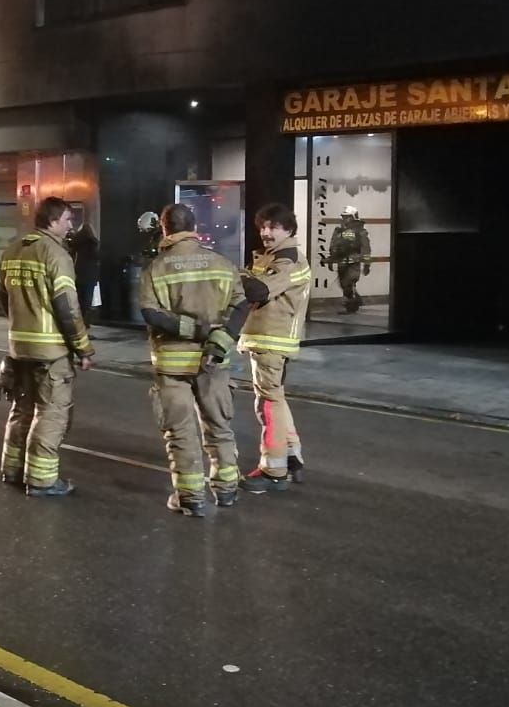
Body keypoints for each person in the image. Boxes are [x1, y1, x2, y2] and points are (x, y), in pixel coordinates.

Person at [138, 203, 259, 517]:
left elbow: (151, 314)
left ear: (164, 229)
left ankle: (190, 496)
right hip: (213, 361)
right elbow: (242, 304)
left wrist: (194, 329)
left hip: (172, 365)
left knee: (180, 431)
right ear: (193, 226)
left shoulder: (157, 267)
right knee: (219, 425)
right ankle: (228, 489)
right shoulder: (221, 263)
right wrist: (221, 337)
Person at [0, 196, 95, 499]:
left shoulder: (13, 250)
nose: (70, 226)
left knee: (21, 410)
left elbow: (4, 298)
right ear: (53, 220)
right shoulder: (56, 255)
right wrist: (83, 348)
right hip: (51, 352)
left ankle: (11, 469)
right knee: (51, 414)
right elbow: (67, 307)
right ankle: (41, 480)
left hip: (19, 348)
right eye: (67, 220)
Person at [238, 204, 313, 492]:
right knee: (275, 398)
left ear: (289, 229)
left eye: (273, 227)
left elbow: (258, 290)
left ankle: (274, 469)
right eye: (263, 227)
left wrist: (237, 279)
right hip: (264, 338)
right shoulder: (272, 256)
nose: (266, 232)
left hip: (272, 340)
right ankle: (292, 456)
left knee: (267, 404)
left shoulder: (288, 260)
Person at [327, 205, 372, 313]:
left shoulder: (360, 231)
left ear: (353, 217)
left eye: (347, 216)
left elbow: (365, 248)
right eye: (344, 216)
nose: (345, 219)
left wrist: (367, 264)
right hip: (341, 262)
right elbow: (333, 245)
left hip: (354, 262)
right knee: (343, 284)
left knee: (349, 282)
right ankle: (355, 299)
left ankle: (351, 307)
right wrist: (331, 259)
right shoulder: (338, 230)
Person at [67, 217, 101, 321]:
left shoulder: (75, 244)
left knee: (78, 301)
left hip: (77, 275)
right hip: (89, 277)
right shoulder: (93, 243)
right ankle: (85, 325)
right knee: (87, 302)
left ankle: (78, 324)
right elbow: (97, 258)